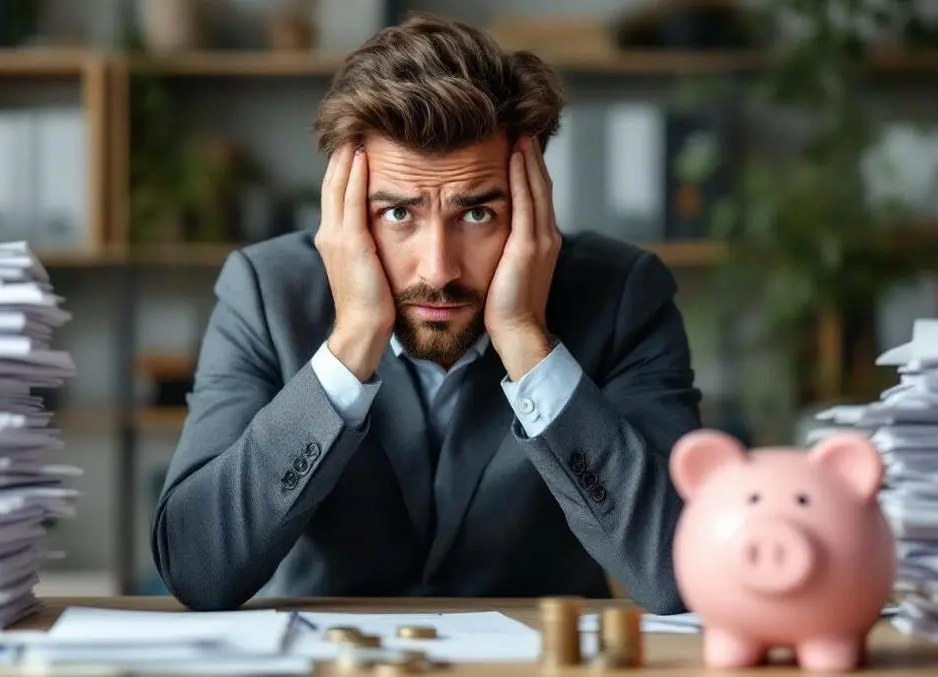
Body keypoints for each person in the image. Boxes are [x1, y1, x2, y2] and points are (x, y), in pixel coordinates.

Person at [152, 12, 701, 615]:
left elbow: (680, 573)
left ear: (532, 199)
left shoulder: (625, 293)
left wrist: (525, 338)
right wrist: (353, 340)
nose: (437, 270)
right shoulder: (265, 291)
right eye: (398, 214)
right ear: (345, 207)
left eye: (476, 214)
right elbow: (197, 569)